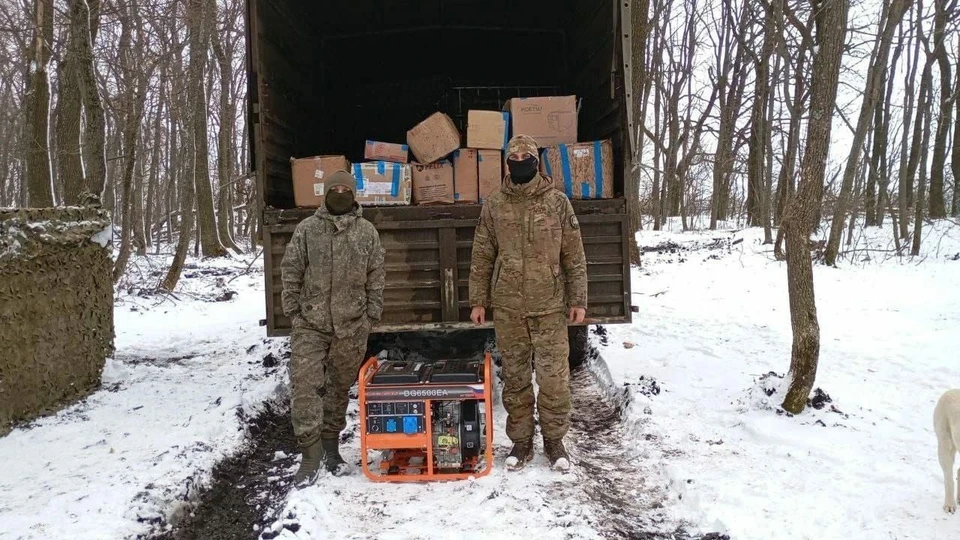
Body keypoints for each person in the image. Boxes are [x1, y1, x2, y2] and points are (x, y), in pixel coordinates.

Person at [468, 134, 587, 472]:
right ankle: (521, 443)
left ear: (537, 161)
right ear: (507, 162)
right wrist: (478, 299)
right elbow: (482, 253)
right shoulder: (495, 204)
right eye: (514, 154)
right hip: (508, 306)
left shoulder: (557, 203)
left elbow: (573, 254)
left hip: (550, 305)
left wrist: (578, 298)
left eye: (526, 154)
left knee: (553, 378)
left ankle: (554, 441)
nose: (519, 159)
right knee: (516, 379)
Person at [280, 170, 385, 486]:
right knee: (306, 384)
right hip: (311, 324)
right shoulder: (308, 229)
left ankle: (331, 447)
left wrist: (370, 316)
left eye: (345, 189)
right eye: (334, 188)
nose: (339, 193)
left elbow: (375, 275)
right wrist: (294, 311)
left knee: (339, 386)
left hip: (351, 325)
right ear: (325, 193)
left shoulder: (366, 232)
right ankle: (310, 455)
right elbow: (291, 269)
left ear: (354, 195)